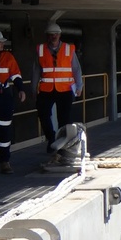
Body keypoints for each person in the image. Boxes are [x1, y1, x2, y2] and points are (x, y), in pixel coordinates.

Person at [35, 21, 83, 153]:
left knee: (64, 118)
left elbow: (76, 69)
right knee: (43, 114)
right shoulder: (40, 49)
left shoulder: (69, 49)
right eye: (51, 34)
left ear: (60, 35)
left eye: (56, 34)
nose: (53, 36)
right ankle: (52, 139)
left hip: (65, 89)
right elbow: (36, 70)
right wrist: (34, 88)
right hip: (46, 89)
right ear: (47, 36)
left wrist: (79, 86)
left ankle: (63, 146)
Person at [0, 28, 26, 173]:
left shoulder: (7, 57)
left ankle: (4, 161)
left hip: (4, 96)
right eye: (0, 42)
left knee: (5, 130)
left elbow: (15, 75)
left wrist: (21, 89)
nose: (2, 44)